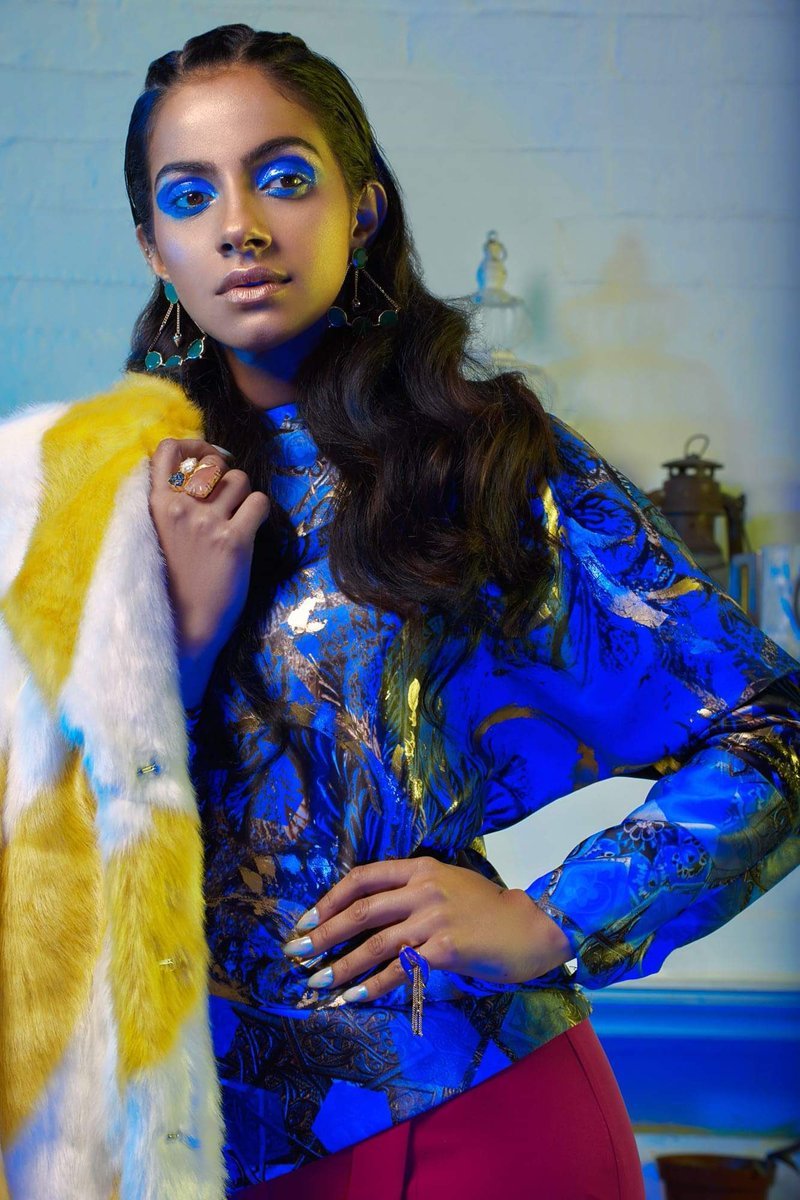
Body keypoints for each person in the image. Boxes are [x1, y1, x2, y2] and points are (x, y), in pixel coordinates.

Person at [0, 21, 798, 1200]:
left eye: (283, 178)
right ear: (154, 249)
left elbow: (776, 727)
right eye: (190, 194)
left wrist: (552, 918)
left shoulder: (473, 457)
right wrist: (183, 645)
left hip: (457, 1112)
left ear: (362, 209)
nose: (239, 225)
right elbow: (38, 832)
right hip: (172, 1142)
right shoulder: (83, 498)